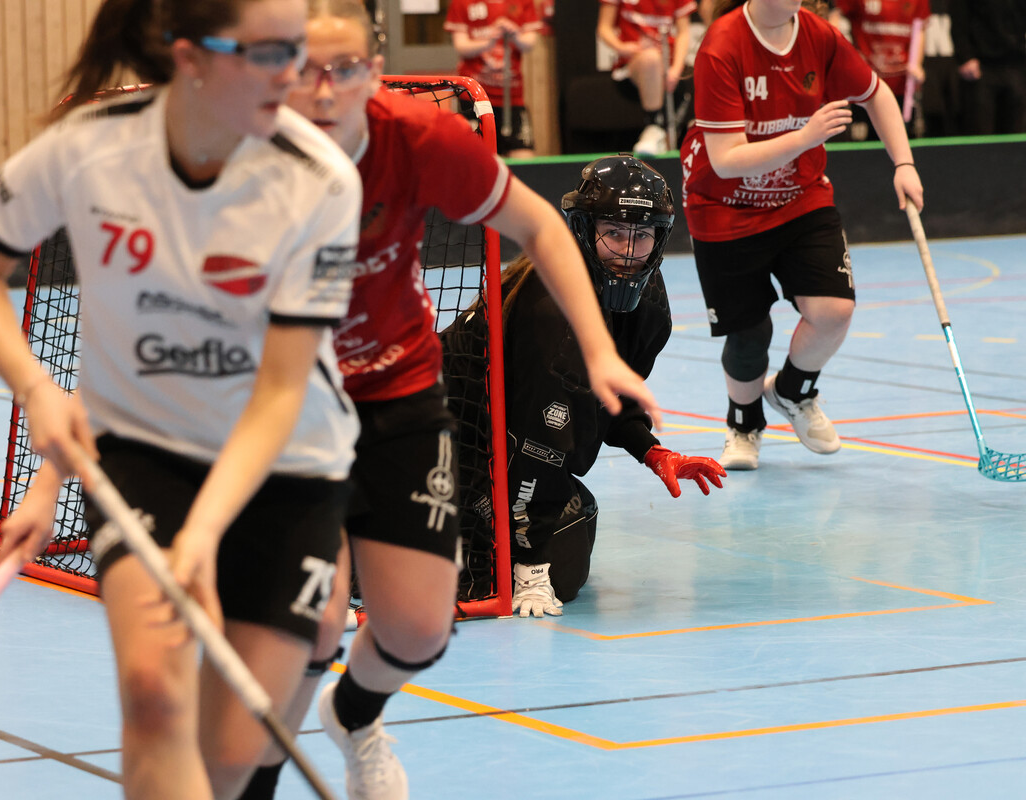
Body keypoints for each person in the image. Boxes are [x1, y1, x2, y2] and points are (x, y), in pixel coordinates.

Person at [240, 3, 665, 798]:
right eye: (304, 68)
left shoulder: (414, 136)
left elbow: (540, 226)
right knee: (313, 623)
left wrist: (602, 350)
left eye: (345, 69)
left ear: (375, 70)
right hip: (286, 402)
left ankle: (354, 716)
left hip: (399, 392)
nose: (324, 89)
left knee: (418, 627)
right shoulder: (236, 150)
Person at [0, 0, 364, 798]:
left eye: (297, 49)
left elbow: (280, 390)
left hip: (287, 465)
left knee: (232, 753)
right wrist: (38, 392)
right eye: (267, 52)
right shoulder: (88, 147)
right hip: (143, 455)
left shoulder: (318, 180)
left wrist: (201, 534)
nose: (294, 75)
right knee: (152, 696)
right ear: (191, 57)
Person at [441, 155, 726, 616]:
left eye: (642, 235)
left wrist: (652, 451)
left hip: (518, 445)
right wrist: (531, 569)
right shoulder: (548, 310)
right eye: (614, 233)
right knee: (496, 571)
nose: (628, 252)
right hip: (453, 442)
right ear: (583, 230)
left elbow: (604, 397)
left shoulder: (649, 308)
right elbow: (535, 444)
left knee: (567, 557)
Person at [681, 0, 924, 471]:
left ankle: (792, 391)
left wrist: (904, 163)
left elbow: (876, 94)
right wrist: (806, 136)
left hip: (800, 196)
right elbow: (726, 160)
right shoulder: (721, 46)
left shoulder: (821, 36)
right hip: (724, 206)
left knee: (834, 310)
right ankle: (743, 424)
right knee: (749, 334)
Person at [445, 0, 544, 157]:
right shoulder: (463, 3)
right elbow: (461, 46)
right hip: (472, 98)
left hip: (511, 98)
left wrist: (515, 35)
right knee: (475, 157)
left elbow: (529, 43)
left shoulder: (523, 2)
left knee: (523, 156)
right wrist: (489, 41)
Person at [597, 0, 697, 155]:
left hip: (669, 66)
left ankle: (668, 142)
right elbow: (604, 28)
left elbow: (683, 32)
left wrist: (676, 69)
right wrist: (621, 47)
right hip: (634, 63)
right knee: (651, 59)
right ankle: (654, 126)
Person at [830, 0, 931, 140]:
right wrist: (846, 55)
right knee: (864, 142)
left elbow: (919, 28)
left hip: (902, 84)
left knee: (900, 139)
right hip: (866, 84)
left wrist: (917, 64)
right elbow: (835, 18)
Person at [950, 0, 1026, 135]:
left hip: (1017, 63)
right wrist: (965, 56)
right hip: (981, 65)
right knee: (980, 129)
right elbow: (958, 16)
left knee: (1018, 131)